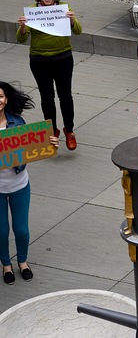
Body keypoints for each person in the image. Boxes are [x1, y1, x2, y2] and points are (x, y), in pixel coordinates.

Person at [1, 81, 59, 284]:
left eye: (0, 96)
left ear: (6, 99)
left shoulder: (17, 122)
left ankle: (22, 262)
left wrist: (50, 144)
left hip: (19, 186)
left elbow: (33, 146)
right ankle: (6, 265)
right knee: (1, 231)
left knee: (21, 230)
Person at [16, 0, 81, 150]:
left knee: (65, 96)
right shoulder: (31, 11)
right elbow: (21, 39)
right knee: (47, 97)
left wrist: (72, 20)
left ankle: (69, 130)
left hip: (63, 58)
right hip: (39, 60)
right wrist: (22, 27)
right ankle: (52, 132)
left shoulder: (64, 8)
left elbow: (78, 31)